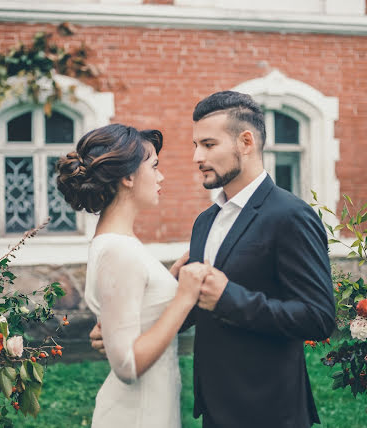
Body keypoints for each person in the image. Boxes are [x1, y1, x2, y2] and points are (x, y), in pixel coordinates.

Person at [91, 91, 336, 428]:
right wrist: (131, 329)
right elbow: (197, 303)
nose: (196, 156)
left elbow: (319, 318)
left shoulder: (290, 215)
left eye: (208, 145)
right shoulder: (205, 221)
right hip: (214, 408)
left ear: (245, 142)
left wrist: (229, 298)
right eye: (195, 145)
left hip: (269, 409)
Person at [57, 124, 210, 428]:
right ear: (127, 177)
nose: (160, 176)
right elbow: (127, 365)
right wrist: (183, 297)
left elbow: (136, 311)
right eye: (154, 166)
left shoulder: (117, 243)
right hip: (136, 415)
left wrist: (167, 282)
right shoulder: (118, 250)